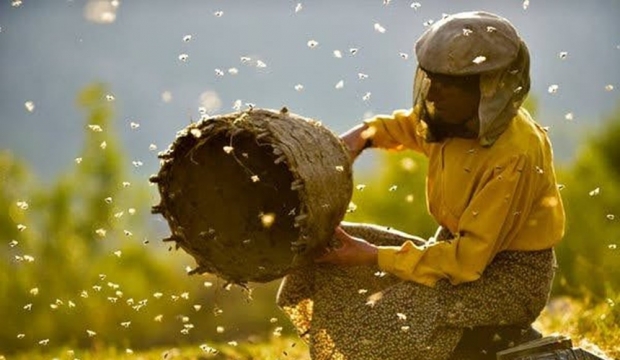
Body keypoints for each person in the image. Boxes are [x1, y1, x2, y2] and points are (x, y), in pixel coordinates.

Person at [277, 11, 566, 360]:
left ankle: (504, 344)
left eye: (447, 84)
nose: (433, 94)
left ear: (487, 87)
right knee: (327, 252)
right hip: (452, 255)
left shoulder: (514, 155)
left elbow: (465, 262)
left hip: (507, 281)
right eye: (431, 80)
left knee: (387, 317)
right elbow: (404, 127)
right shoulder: (453, 118)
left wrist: (370, 255)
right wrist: (357, 140)